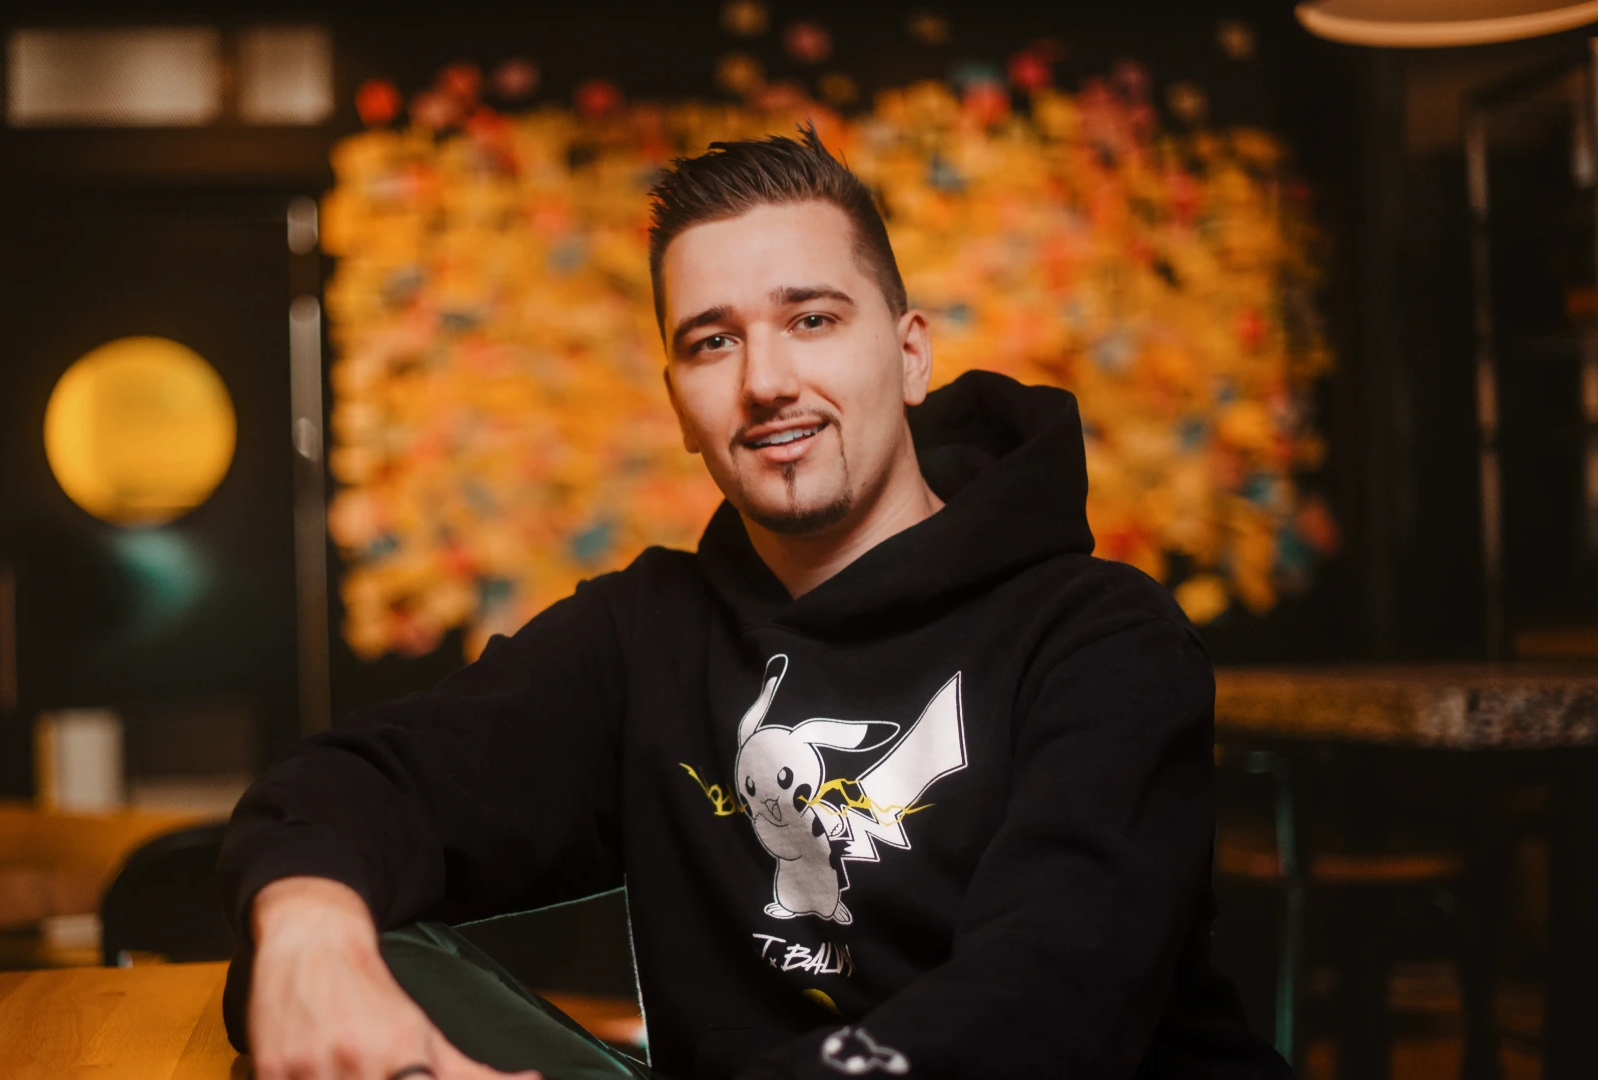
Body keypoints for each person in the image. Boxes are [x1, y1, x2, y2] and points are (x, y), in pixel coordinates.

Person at [219, 123, 1293, 1080]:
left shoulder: (1101, 639)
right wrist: (310, 936)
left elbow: (1047, 1007)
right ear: (679, 404)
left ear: (909, 355)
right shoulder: (646, 638)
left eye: (811, 319)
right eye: (713, 340)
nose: (765, 381)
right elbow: (358, 783)